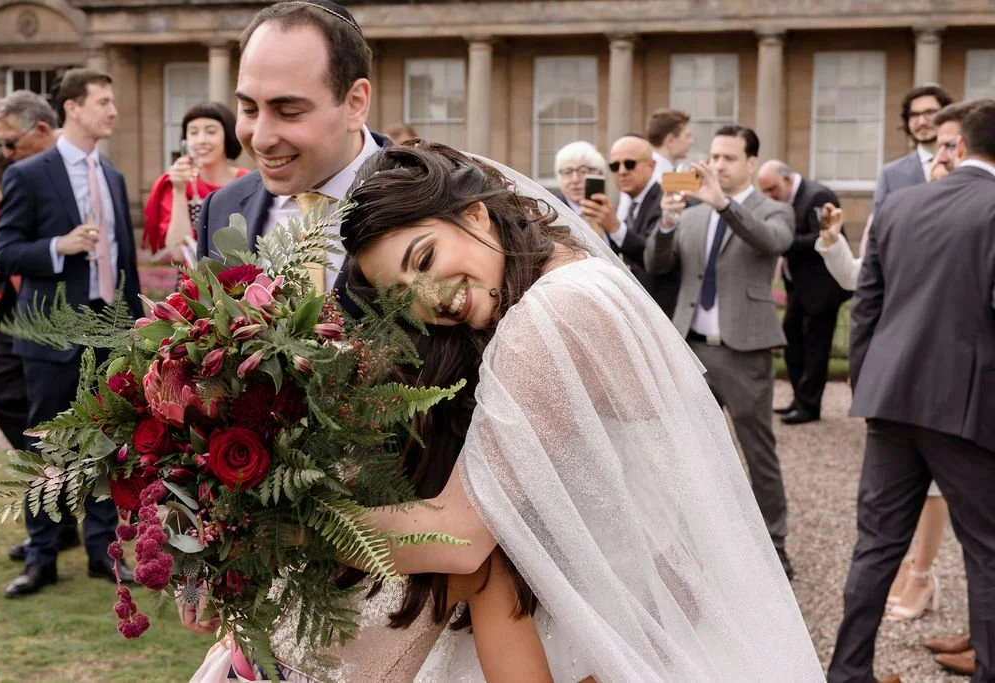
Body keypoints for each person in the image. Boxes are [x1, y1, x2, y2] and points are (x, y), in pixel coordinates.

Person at [335, 142, 823, 681]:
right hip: (632, 597)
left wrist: (298, 528)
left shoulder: (551, 316)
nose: (427, 297)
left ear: (475, 213)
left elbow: (459, 535)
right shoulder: (567, 273)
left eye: (424, 259)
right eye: (401, 296)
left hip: (610, 619)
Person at [827, 101, 995, 683]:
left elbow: (867, 305)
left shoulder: (898, 204)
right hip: (971, 406)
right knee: (988, 549)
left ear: (962, 146)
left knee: (876, 544)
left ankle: (848, 672)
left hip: (890, 399)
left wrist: (868, 388)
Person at [0, 69, 143, 598]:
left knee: (107, 443)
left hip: (109, 335)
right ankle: (42, 556)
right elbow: (7, 250)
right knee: (48, 448)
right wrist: (60, 246)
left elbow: (125, 262)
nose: (113, 111)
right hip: (53, 335)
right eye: (104, 101)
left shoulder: (114, 176)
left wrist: (135, 329)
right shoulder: (30, 174)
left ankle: (103, 550)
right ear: (73, 108)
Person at [644, 125, 797, 579]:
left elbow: (773, 243)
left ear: (752, 162)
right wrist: (668, 223)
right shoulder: (690, 213)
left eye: (729, 158)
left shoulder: (775, 209)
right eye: (714, 156)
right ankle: (695, 541)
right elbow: (657, 263)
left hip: (744, 350)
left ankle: (775, 542)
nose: (718, 165)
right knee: (688, 451)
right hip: (690, 349)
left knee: (757, 450)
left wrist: (724, 205)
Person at [195, 0, 390, 303]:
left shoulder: (436, 202)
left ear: (355, 103)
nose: (260, 140)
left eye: (288, 112)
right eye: (248, 109)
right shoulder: (222, 208)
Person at [0, 91, 82, 564]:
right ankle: (57, 496)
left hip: (58, 311)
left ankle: (56, 520)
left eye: (9, 142)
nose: (3, 152)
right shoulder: (18, 170)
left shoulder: (79, 170)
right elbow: (14, 236)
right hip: (20, 301)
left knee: (50, 422)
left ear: (42, 129)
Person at [757, 159, 849, 425]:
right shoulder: (788, 200)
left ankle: (809, 406)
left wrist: (782, 243)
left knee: (815, 349)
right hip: (798, 287)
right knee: (793, 343)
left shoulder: (818, 195)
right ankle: (799, 399)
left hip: (822, 289)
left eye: (772, 189)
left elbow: (823, 237)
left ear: (786, 179)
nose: (770, 196)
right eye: (764, 191)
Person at [585, 134, 680, 316]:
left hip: (661, 312)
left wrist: (614, 226)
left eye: (629, 164)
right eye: (615, 166)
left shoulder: (665, 201)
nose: (621, 171)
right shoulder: (630, 203)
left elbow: (654, 257)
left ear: (651, 166)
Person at [143, 101, 247, 264]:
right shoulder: (177, 183)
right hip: (192, 284)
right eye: (193, 133)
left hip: (242, 281)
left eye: (211, 132)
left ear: (227, 135)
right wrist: (179, 190)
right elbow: (178, 253)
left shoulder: (247, 183)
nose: (201, 140)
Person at [871, 84, 952, 216]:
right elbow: (879, 227)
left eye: (930, 113)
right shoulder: (890, 174)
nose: (921, 122)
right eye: (914, 115)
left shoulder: (964, 166)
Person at [616, 108, 694, 225]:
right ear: (670, 140)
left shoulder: (673, 173)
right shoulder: (643, 173)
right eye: (687, 136)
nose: (691, 141)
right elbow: (623, 218)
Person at [551, 140, 603, 214]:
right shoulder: (549, 215)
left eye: (583, 171)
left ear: (599, 174)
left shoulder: (611, 213)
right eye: (567, 172)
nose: (575, 179)